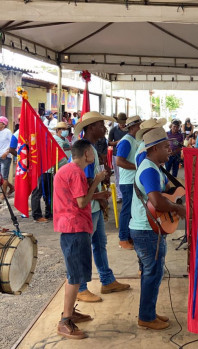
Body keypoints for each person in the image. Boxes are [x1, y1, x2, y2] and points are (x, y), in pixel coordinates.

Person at [130, 127, 186, 330]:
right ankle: (146, 316)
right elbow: (157, 202)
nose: (169, 150)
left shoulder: (152, 166)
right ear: (153, 149)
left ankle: (149, 312)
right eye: (165, 146)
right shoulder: (149, 169)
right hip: (146, 230)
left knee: (152, 272)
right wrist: (178, 208)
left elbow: (161, 197)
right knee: (152, 273)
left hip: (151, 228)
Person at [73, 112, 130, 302]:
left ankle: (107, 280)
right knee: (86, 247)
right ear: (90, 128)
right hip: (90, 206)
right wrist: (98, 195)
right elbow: (84, 183)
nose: (104, 129)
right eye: (100, 125)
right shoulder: (86, 150)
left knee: (99, 244)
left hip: (94, 206)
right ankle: (81, 288)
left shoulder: (91, 148)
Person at [53, 139, 106, 340]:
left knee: (74, 274)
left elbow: (77, 197)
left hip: (71, 226)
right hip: (74, 227)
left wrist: (96, 192)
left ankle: (70, 313)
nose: (94, 155)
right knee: (74, 276)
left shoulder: (68, 170)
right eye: (92, 152)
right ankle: (65, 321)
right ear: (86, 154)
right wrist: (96, 181)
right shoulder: (76, 172)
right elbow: (82, 201)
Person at [31, 122, 71, 223]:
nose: (65, 131)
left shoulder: (65, 140)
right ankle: (37, 215)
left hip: (55, 171)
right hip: (46, 169)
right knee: (39, 192)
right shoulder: (53, 140)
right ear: (57, 130)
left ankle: (49, 213)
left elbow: (67, 151)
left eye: (66, 129)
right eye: (62, 129)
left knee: (50, 193)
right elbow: (59, 156)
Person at [115, 115, 142, 250]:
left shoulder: (134, 140)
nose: (141, 128)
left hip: (133, 180)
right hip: (128, 181)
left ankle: (129, 235)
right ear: (132, 127)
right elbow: (119, 161)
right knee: (126, 210)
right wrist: (138, 167)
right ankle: (123, 238)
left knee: (132, 209)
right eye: (139, 126)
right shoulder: (126, 141)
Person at [108, 113, 129, 202]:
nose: (122, 124)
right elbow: (109, 143)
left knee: (127, 175)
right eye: (120, 123)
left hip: (128, 155)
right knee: (118, 175)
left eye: (123, 122)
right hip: (116, 155)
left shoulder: (129, 130)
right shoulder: (113, 130)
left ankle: (127, 194)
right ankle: (120, 195)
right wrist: (118, 142)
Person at [0, 116, 15, 198]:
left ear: (3, 124)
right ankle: (11, 187)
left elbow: (12, 144)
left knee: (4, 176)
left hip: (5, 157)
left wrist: (6, 153)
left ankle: (4, 194)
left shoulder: (7, 132)